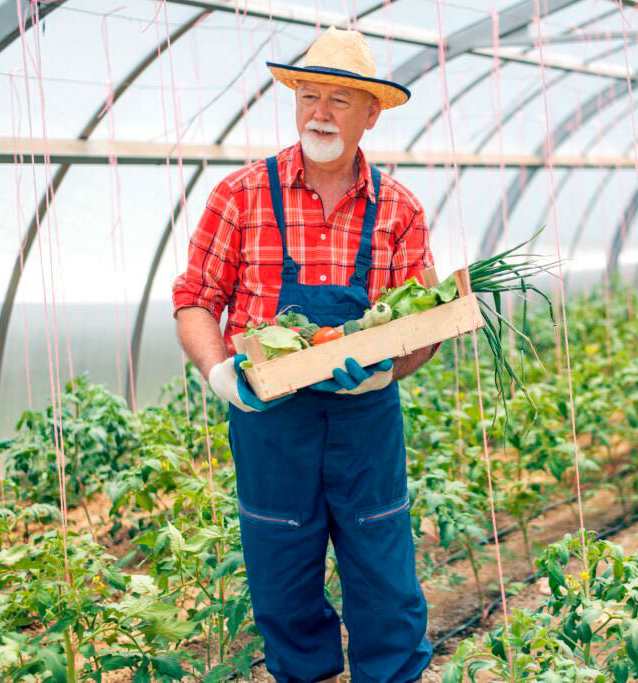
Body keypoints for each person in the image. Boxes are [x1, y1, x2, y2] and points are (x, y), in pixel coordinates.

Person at [172, 27, 435, 683]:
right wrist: (221, 373)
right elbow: (195, 298)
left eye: (340, 100)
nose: (320, 112)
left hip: (364, 429)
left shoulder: (399, 210)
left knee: (386, 587)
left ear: (371, 113)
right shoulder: (240, 196)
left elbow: (424, 324)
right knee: (283, 591)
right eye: (309, 95)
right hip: (271, 427)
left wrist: (386, 369)